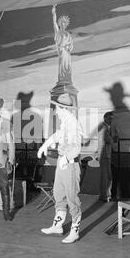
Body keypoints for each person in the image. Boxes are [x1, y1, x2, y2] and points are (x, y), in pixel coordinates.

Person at [38, 93, 84, 244]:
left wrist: (66, 158)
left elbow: (76, 148)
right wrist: (46, 144)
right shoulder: (65, 122)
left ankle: (75, 231)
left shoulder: (73, 123)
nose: (55, 111)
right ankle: (58, 226)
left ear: (63, 108)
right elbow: (58, 136)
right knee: (59, 194)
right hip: (62, 163)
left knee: (72, 198)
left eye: (57, 108)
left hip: (70, 165)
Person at [98, 111, 119, 202]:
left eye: (112, 119)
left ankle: (106, 195)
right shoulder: (103, 127)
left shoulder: (106, 127)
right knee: (106, 176)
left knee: (107, 176)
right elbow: (109, 140)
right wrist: (116, 136)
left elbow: (111, 141)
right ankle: (104, 196)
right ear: (105, 118)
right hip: (104, 154)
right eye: (110, 118)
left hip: (107, 154)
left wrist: (114, 138)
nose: (111, 120)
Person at [52, 4, 73, 83]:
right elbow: (54, 22)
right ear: (60, 23)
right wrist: (54, 11)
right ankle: (62, 80)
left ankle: (67, 80)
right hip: (61, 52)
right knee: (62, 66)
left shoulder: (68, 34)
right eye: (62, 22)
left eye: (65, 23)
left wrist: (69, 47)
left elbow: (71, 45)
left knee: (67, 66)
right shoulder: (58, 32)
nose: (63, 24)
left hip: (67, 52)